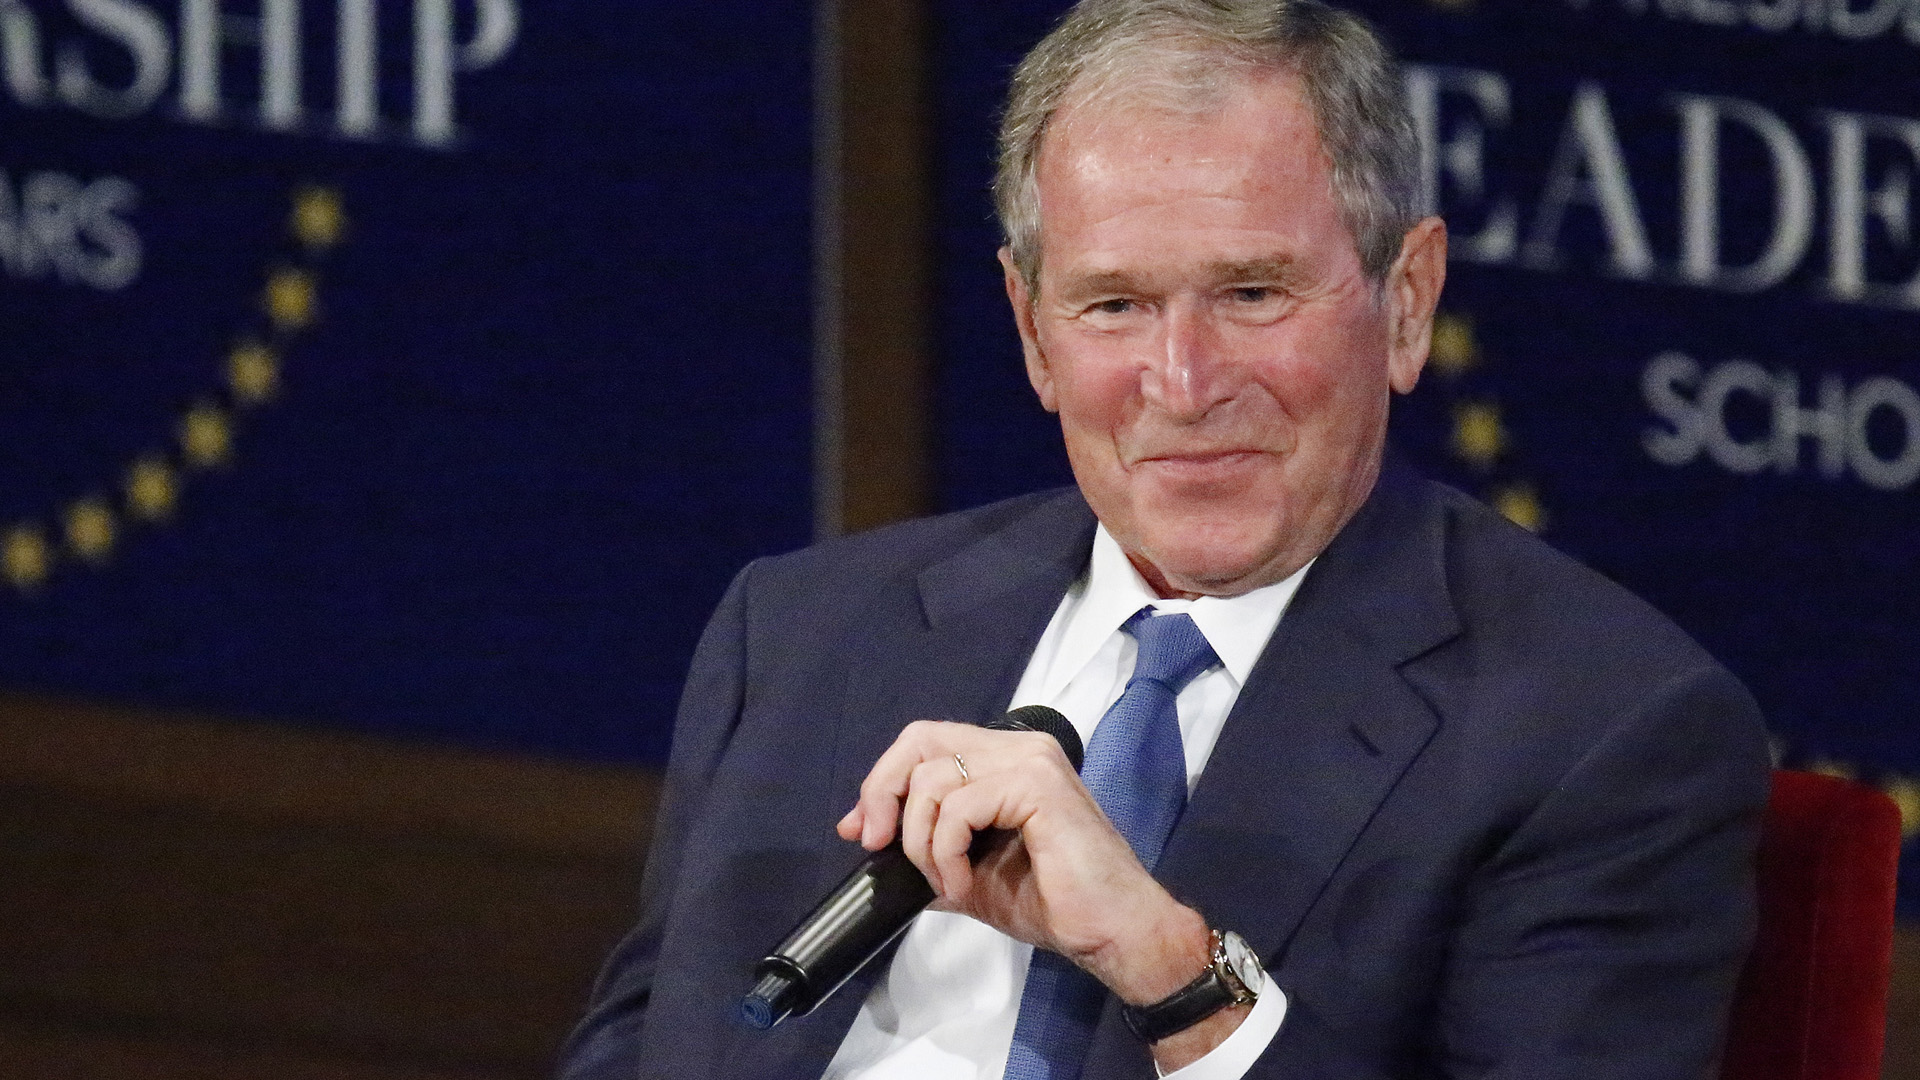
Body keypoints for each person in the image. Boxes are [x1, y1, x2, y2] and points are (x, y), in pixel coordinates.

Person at [557, 1, 1771, 1077]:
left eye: (1252, 293)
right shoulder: (806, 628)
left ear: (1406, 303)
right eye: (1115, 306)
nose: (1183, 383)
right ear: (1034, 333)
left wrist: (1171, 970)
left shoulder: (1601, 730)